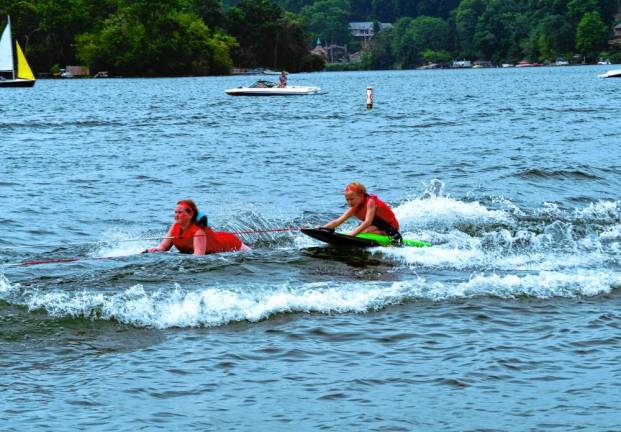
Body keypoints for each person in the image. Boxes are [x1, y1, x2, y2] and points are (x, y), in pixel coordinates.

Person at [147, 199, 250, 255]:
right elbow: (163, 247)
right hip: (216, 237)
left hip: (230, 243)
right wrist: (154, 250)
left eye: (180, 213)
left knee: (251, 254)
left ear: (190, 215)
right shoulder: (174, 227)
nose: (176, 215)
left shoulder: (198, 232)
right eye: (175, 212)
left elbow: (198, 257)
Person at [322, 182, 402, 243]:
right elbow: (338, 221)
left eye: (352, 199)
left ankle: (387, 235)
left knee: (365, 231)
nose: (349, 202)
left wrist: (351, 235)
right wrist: (323, 228)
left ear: (361, 195)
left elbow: (368, 222)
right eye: (347, 200)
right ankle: (376, 232)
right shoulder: (354, 206)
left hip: (390, 227)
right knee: (362, 230)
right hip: (376, 224)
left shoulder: (370, 201)